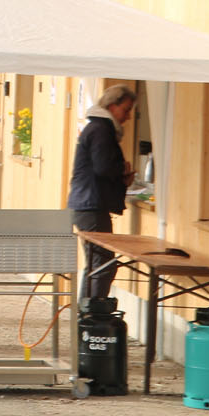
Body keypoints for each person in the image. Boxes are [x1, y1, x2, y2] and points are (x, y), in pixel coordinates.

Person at [70, 84, 136, 301]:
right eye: (125, 110)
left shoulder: (97, 127)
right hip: (91, 204)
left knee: (97, 263)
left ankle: (86, 315)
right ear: (111, 105)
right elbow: (103, 167)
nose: (127, 116)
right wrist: (122, 171)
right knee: (103, 265)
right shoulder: (101, 130)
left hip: (86, 202)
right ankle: (91, 315)